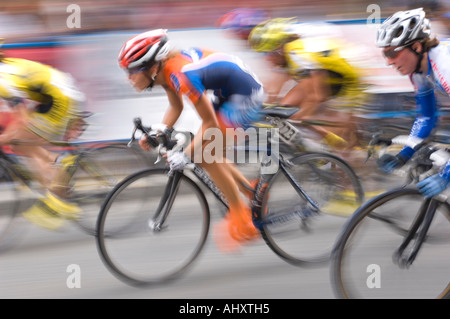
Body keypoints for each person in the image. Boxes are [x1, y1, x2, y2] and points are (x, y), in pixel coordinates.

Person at [118, 29, 265, 252]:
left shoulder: (179, 74)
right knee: (207, 151)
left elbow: (210, 124)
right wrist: (159, 132)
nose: (129, 78)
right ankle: (250, 192)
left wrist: (184, 155)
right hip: (228, 93)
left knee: (204, 154)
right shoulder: (164, 72)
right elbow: (176, 106)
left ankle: (242, 216)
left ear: (152, 66)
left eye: (132, 71)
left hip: (246, 94)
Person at [247, 17, 367, 151]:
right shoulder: (288, 54)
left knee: (312, 119)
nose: (267, 59)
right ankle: (319, 151)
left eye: (268, 53)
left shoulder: (296, 54)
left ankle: (344, 153)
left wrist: (302, 116)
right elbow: (274, 89)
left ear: (279, 48)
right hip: (329, 76)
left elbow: (316, 97)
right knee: (283, 111)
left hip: (348, 79)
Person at [0, 50, 86, 229]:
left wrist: (4, 138)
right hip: (53, 95)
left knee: (22, 139)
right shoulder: (4, 70)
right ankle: (56, 173)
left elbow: (21, 119)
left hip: (61, 98)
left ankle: (60, 188)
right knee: (20, 143)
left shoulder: (3, 80)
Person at [375, 8, 450, 198]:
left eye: (392, 53)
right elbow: (426, 117)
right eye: (385, 55)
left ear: (416, 47)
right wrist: (404, 155)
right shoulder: (418, 73)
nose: (388, 62)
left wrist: (446, 175)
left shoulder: (444, 66)